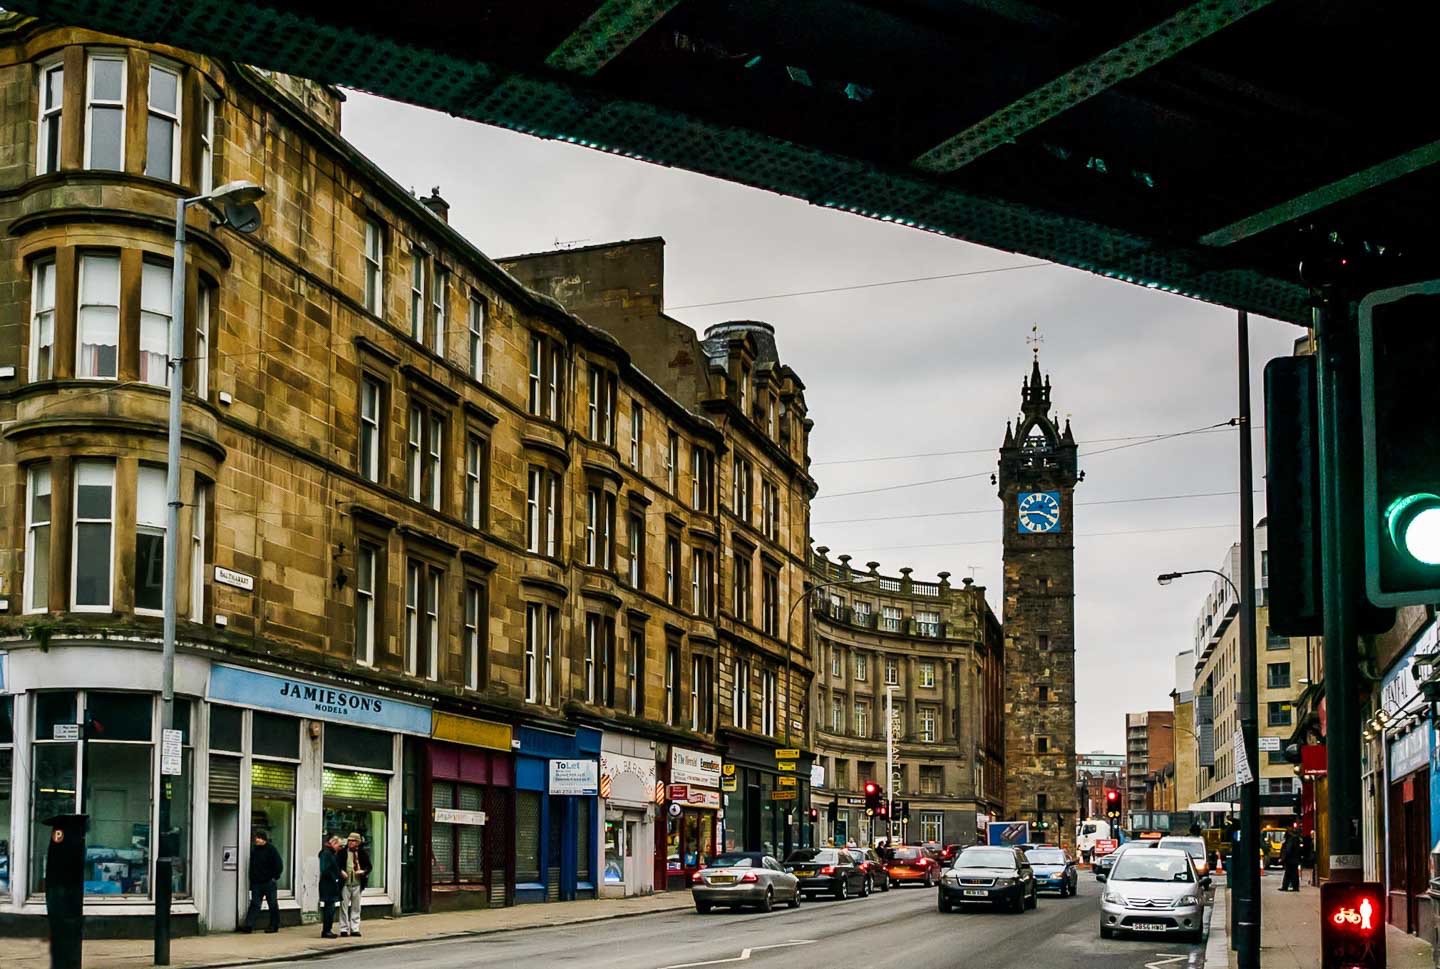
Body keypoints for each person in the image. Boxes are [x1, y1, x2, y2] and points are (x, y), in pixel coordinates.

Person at [239, 830, 283, 934]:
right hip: (257, 883)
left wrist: (274, 877)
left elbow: (279, 865)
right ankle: (248, 925)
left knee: (272, 904)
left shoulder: (271, 850)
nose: (256, 840)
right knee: (255, 904)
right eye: (256, 838)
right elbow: (252, 866)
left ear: (263, 839)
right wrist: (252, 879)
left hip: (268, 882)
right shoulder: (254, 850)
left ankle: (274, 925)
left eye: (258, 838)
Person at [338, 832, 371, 937]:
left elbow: (369, 866)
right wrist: (341, 871)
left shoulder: (362, 853)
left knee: (356, 907)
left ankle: (355, 928)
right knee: (343, 906)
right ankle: (343, 928)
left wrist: (363, 871)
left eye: (353, 841)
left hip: (357, 883)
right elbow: (337, 865)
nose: (350, 842)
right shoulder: (342, 852)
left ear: (358, 842)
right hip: (345, 883)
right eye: (349, 840)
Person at [318, 835, 344, 938]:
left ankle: (328, 929)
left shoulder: (330, 854)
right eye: (339, 845)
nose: (340, 848)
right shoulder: (326, 854)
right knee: (329, 909)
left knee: (331, 908)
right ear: (334, 843)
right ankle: (326, 930)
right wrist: (335, 878)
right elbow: (325, 869)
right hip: (328, 885)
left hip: (330, 884)